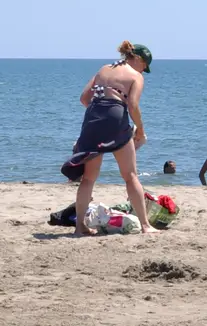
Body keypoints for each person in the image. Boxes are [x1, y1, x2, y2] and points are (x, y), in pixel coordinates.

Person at [62, 41, 153, 236]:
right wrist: (140, 131)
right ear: (138, 59)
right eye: (145, 67)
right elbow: (133, 106)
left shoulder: (104, 68)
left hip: (93, 116)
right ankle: (145, 225)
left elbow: (84, 99)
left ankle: (80, 228)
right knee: (130, 175)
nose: (144, 71)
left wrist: (100, 116)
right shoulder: (135, 76)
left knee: (88, 177)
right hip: (116, 115)